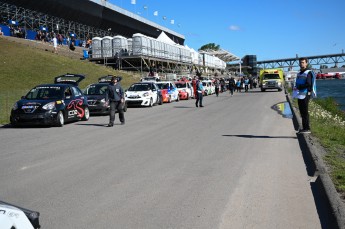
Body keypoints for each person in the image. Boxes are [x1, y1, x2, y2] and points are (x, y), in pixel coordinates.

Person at [294, 57, 314, 134]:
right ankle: (304, 128)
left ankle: (307, 128)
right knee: (302, 111)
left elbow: (309, 84)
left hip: (305, 94)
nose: (301, 64)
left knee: (305, 111)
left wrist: (299, 87)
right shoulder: (299, 73)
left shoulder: (308, 72)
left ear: (306, 63)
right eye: (300, 62)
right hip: (300, 94)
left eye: (303, 62)